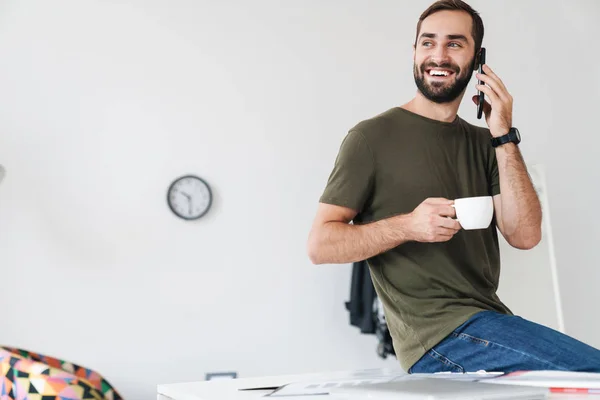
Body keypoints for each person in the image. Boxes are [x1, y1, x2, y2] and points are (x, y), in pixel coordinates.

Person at [307, 0, 600, 374]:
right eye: (428, 43)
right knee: (593, 372)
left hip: (488, 323)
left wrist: (504, 135)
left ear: (478, 58)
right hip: (437, 339)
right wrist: (409, 226)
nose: (438, 55)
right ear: (414, 52)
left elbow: (524, 235)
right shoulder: (370, 138)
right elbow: (320, 245)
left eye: (454, 44)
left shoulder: (487, 143)